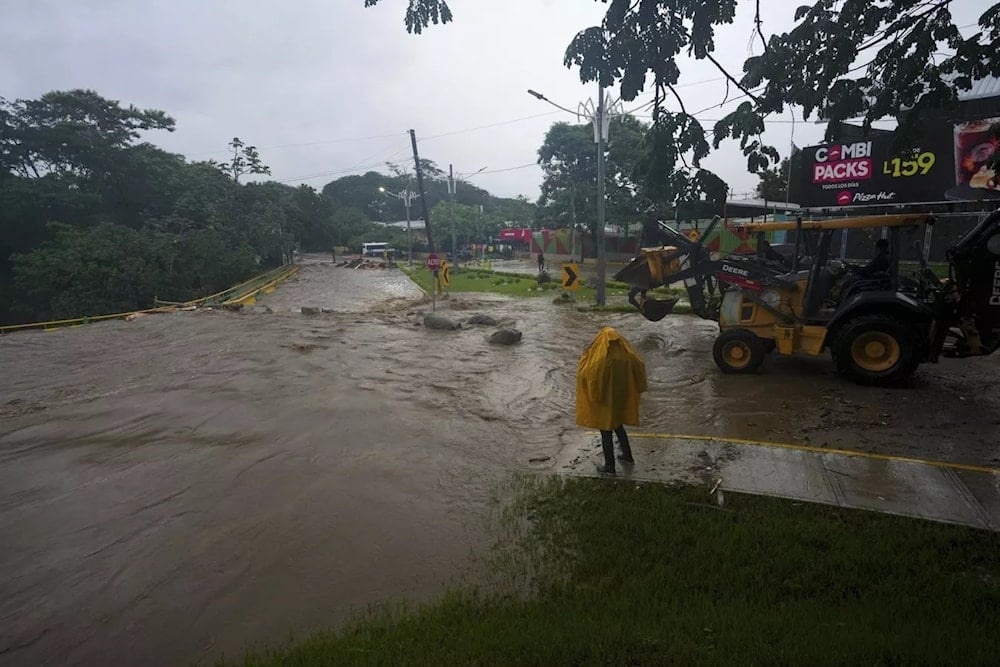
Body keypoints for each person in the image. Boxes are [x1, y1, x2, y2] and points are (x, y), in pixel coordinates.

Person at [575, 327, 648, 475]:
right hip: (620, 399)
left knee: (606, 432)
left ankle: (609, 466)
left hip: (604, 401)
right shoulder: (627, 355)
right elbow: (640, 366)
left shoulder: (599, 359)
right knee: (619, 426)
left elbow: (587, 376)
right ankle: (627, 456)